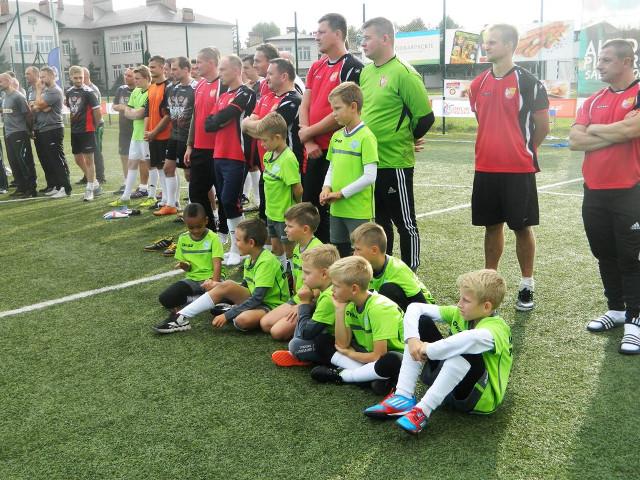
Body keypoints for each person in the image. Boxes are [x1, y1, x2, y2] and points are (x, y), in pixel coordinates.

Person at [364, 269, 512, 435]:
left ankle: (422, 411)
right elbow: (414, 308)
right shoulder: (461, 313)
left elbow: (471, 339)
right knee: (421, 322)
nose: (459, 304)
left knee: (465, 348)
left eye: (466, 300)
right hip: (449, 385)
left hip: (478, 399)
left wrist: (428, 349)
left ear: (486, 307)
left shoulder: (497, 329)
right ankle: (403, 396)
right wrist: (412, 339)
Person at [467, 24, 549, 310]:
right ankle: (490, 283)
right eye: (485, 42)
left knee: (522, 227)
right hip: (486, 168)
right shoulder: (477, 84)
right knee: (491, 227)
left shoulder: (529, 83)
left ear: (509, 45)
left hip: (519, 170)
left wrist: (522, 150)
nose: (486, 46)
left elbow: (542, 127)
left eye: (492, 42)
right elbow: (483, 120)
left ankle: (527, 285)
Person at [568, 39, 640, 354]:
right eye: (600, 59)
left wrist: (596, 129)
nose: (599, 65)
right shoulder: (594, 99)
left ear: (627, 62)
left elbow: (631, 131)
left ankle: (636, 319)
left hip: (631, 191)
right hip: (594, 191)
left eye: (607, 60)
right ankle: (617, 309)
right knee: (605, 254)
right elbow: (574, 140)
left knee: (631, 257)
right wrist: (617, 130)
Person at [360, 16, 434, 272]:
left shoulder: (404, 73)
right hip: (370, 163)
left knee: (405, 223)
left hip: (395, 162)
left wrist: (407, 139)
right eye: (362, 38)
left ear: (385, 38)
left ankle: (411, 276)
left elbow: (425, 117)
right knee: (380, 224)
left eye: (367, 38)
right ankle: (384, 273)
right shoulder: (366, 72)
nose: (363, 43)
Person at [299, 13, 363, 243]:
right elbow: (305, 104)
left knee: (332, 209)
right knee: (310, 209)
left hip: (338, 151)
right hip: (313, 149)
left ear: (338, 34)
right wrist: (308, 140)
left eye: (321, 32)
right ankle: (314, 259)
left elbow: (343, 113)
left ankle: (335, 258)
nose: (316, 37)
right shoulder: (316, 66)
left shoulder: (352, 67)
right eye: (316, 32)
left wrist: (308, 132)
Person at [162, 218, 289, 332]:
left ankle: (236, 310)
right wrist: (218, 285)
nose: (236, 243)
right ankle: (181, 317)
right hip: (257, 301)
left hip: (271, 305)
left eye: (238, 240)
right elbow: (245, 286)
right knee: (226, 286)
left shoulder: (265, 262)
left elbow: (257, 298)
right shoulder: (251, 258)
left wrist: (227, 315)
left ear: (251, 242)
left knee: (242, 321)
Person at [310, 256, 404, 394]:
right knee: (322, 341)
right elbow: (341, 345)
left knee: (393, 360)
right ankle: (370, 377)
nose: (332, 290)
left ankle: (342, 376)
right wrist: (339, 309)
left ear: (354, 289)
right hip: (366, 355)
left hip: (386, 357)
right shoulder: (350, 304)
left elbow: (378, 356)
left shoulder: (379, 309)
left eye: (336, 286)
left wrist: (350, 354)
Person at [204, 55, 256, 266]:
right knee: (225, 202)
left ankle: (238, 248)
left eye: (223, 69)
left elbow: (227, 115)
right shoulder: (224, 95)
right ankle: (238, 246)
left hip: (237, 155)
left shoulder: (246, 93)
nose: (220, 74)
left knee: (230, 201)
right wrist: (221, 119)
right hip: (219, 154)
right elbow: (209, 123)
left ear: (236, 70)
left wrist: (220, 119)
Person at [319, 82, 378, 257]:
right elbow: (332, 167)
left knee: (360, 257)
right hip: (337, 209)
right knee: (339, 255)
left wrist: (341, 194)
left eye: (337, 108)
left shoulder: (367, 137)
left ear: (353, 107)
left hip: (358, 211)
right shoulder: (336, 136)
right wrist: (326, 188)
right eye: (332, 109)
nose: (333, 113)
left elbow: (370, 176)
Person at [242, 58, 304, 221]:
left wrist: (251, 125)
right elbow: (248, 127)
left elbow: (265, 130)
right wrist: (253, 126)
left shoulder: (292, 100)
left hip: (286, 168)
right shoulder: (266, 97)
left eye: (270, 74)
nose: (266, 77)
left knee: (287, 218)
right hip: (268, 165)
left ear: (284, 76)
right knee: (266, 214)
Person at [152, 202, 224, 334]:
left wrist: (214, 284)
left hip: (211, 279)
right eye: (191, 227)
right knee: (165, 299)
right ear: (185, 223)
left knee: (221, 306)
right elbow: (188, 268)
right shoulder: (183, 239)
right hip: (192, 280)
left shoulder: (213, 238)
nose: (195, 230)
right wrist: (184, 265)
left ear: (206, 221)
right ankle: (199, 299)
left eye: (199, 226)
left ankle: (202, 300)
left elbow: (217, 264)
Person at [260, 202, 323, 341]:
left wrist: (302, 306)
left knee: (277, 332)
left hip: (311, 302)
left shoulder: (317, 251)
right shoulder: (296, 248)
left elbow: (319, 291)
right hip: (298, 299)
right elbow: (296, 279)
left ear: (305, 229)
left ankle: (312, 322)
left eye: (289, 226)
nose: (285, 229)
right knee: (265, 324)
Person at [272, 244, 340, 367]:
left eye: (307, 273)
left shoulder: (329, 297)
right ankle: (299, 354)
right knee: (298, 338)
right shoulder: (327, 289)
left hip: (335, 345)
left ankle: (304, 357)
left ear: (324, 274)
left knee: (295, 345)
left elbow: (306, 333)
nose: (303, 277)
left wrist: (304, 303)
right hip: (326, 337)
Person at [184, 47, 226, 237]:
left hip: (218, 150)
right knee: (196, 192)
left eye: (199, 62)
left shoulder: (223, 85)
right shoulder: (200, 85)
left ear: (211, 62)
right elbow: (195, 116)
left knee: (223, 195)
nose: (196, 65)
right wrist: (190, 145)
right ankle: (210, 230)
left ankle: (224, 233)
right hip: (199, 149)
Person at [351, 222, 434, 311]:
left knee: (388, 290)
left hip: (423, 308)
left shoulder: (397, 269)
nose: (354, 254)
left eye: (358, 249)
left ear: (374, 250)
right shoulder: (364, 267)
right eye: (354, 249)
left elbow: (422, 304)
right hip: (400, 306)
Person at [256, 112, 302, 266]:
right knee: (276, 248)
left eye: (264, 140)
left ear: (277, 137)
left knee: (290, 250)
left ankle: (294, 274)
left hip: (285, 216)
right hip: (271, 213)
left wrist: (296, 210)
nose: (262, 144)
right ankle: (282, 274)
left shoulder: (288, 159)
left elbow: (298, 189)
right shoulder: (268, 156)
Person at [156, 57, 198, 216]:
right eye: (171, 69)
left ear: (186, 69)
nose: (171, 72)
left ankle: (194, 208)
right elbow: (167, 112)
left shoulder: (196, 88)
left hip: (188, 138)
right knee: (168, 168)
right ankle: (172, 204)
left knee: (189, 174)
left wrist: (192, 141)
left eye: (175, 69)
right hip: (174, 136)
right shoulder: (171, 89)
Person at [109, 66, 150, 208]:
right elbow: (129, 113)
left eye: (137, 78)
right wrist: (131, 111)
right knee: (132, 163)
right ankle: (126, 196)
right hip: (135, 134)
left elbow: (138, 114)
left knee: (150, 165)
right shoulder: (136, 91)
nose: (135, 81)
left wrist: (130, 111)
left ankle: (151, 195)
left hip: (146, 134)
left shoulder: (150, 92)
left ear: (146, 78)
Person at [31, 66, 71, 198]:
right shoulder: (47, 91)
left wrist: (38, 94)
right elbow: (36, 107)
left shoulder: (54, 91)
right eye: (40, 77)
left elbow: (39, 105)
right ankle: (57, 186)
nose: (41, 80)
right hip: (45, 129)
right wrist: (39, 105)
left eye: (43, 77)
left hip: (53, 129)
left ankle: (65, 188)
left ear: (52, 76)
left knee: (56, 159)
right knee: (50, 160)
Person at [64, 65, 102, 201]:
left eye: (81, 77)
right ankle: (95, 182)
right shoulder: (69, 92)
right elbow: (71, 107)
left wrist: (95, 126)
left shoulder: (89, 92)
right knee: (78, 159)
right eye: (76, 78)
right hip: (75, 130)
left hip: (87, 130)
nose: (79, 80)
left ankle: (89, 189)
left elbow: (97, 111)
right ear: (70, 77)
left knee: (89, 160)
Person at [142, 55, 172, 210]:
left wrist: (154, 131)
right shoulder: (152, 87)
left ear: (162, 67)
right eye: (150, 67)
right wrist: (148, 131)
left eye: (153, 67)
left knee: (168, 168)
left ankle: (172, 201)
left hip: (165, 135)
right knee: (160, 167)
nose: (151, 69)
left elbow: (168, 115)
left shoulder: (169, 87)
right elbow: (148, 112)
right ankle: (165, 198)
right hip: (153, 135)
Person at [1, 72, 36, 198]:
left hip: (19, 133)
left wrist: (30, 130)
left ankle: (31, 189)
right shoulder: (5, 97)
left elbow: (28, 114)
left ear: (9, 81)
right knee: (14, 161)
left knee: (24, 161)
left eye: (1, 81)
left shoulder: (18, 96)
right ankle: (21, 187)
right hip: (9, 133)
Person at [25, 66, 52, 194]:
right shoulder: (30, 90)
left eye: (28, 74)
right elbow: (31, 108)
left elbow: (43, 107)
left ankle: (59, 184)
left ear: (36, 75)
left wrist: (35, 105)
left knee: (52, 158)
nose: (26, 76)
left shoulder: (45, 89)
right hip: (36, 127)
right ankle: (50, 184)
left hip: (47, 127)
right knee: (43, 158)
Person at [112, 68, 137, 195]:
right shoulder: (121, 89)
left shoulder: (140, 90)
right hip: (124, 129)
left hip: (137, 129)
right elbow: (114, 106)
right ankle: (127, 182)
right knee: (124, 155)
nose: (126, 77)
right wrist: (122, 107)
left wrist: (129, 109)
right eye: (125, 75)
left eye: (129, 76)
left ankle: (144, 185)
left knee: (142, 158)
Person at [82, 67, 106, 185]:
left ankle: (100, 176)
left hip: (95, 125)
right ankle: (87, 175)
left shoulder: (92, 89)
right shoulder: (83, 89)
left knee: (96, 151)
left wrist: (95, 125)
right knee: (87, 151)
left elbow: (95, 109)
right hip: (86, 125)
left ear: (86, 76)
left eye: (81, 76)